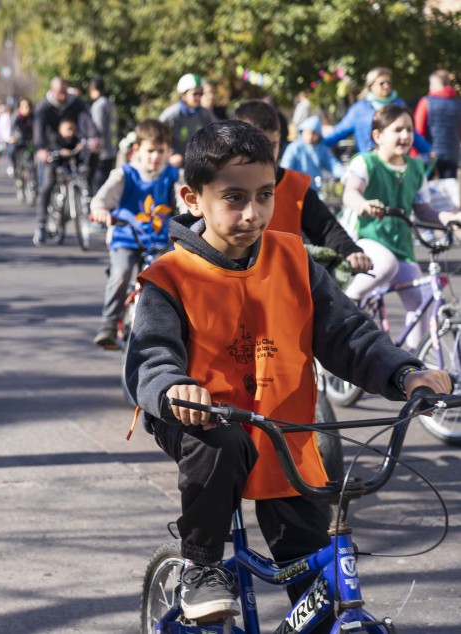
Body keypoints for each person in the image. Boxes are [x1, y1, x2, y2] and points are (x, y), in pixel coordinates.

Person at [125, 118, 452, 626]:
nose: (253, 213)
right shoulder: (170, 276)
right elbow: (151, 357)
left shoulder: (294, 258)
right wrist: (173, 386)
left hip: (285, 426)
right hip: (198, 422)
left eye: (265, 195)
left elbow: (350, 336)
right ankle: (200, 566)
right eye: (233, 198)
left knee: (314, 574)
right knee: (222, 443)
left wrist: (405, 373)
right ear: (192, 198)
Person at [341, 104, 461, 352]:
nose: (406, 136)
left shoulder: (416, 168)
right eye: (398, 130)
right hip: (365, 239)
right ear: (378, 136)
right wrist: (363, 204)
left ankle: (413, 360)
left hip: (400, 245)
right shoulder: (366, 162)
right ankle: (345, 305)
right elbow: (350, 194)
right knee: (386, 264)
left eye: (409, 130)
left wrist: (450, 217)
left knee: (422, 299)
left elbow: (423, 209)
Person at [233, 100, 370, 275]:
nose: (265, 153)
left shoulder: (296, 186)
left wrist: (351, 251)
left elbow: (325, 227)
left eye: (272, 145)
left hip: (282, 278)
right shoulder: (222, 185)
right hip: (235, 278)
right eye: (257, 145)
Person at [89, 120, 179, 349]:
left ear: (169, 151)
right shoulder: (124, 174)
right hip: (127, 237)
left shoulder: (173, 176)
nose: (155, 156)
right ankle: (109, 324)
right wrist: (100, 211)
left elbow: (186, 201)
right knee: (120, 273)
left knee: (168, 283)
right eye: (150, 151)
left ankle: (166, 331)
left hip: (159, 241)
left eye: (161, 151)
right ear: (137, 150)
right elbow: (100, 200)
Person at [33, 77, 101, 245]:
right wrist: (41, 148)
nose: (63, 97)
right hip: (53, 147)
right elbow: (39, 129)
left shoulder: (75, 102)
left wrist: (93, 137)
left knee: (88, 165)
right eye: (59, 93)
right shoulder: (44, 106)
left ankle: (86, 198)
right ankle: (41, 225)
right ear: (52, 91)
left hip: (73, 145)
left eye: (65, 92)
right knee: (48, 183)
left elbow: (88, 119)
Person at [323, 67, 431, 156]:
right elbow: (340, 131)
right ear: (371, 86)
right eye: (382, 83)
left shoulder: (399, 105)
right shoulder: (359, 109)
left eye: (389, 82)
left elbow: (411, 132)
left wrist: (428, 150)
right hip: (370, 163)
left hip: (397, 163)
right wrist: (319, 140)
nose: (386, 86)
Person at [158, 73, 216, 167]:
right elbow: (156, 137)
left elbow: (216, 134)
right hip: (174, 165)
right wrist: (169, 155)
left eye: (200, 93)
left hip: (198, 164)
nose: (198, 97)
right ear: (183, 95)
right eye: (195, 94)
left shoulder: (205, 114)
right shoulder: (170, 116)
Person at [413, 69, 461, 180]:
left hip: (428, 155)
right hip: (451, 154)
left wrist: (415, 154)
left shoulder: (425, 102)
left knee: (426, 191)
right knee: (448, 191)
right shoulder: (458, 104)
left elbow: (418, 130)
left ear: (434, 84)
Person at [279, 115, 346, 190]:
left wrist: (344, 174)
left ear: (318, 135)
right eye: (308, 133)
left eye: (314, 133)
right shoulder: (294, 148)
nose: (310, 136)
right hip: (296, 189)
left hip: (314, 189)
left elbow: (332, 164)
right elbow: (286, 168)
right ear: (302, 131)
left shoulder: (321, 148)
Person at [88, 76, 119, 196]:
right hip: (111, 149)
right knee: (107, 181)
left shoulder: (98, 105)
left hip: (101, 151)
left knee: (98, 184)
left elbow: (96, 128)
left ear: (93, 89)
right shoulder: (111, 104)